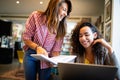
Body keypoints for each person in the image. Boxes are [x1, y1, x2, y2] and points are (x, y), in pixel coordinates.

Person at [22, 0, 72, 80]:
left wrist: (55, 61)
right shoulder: (35, 16)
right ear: (55, 6)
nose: (66, 14)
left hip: (47, 58)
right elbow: (26, 38)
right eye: (64, 9)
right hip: (31, 54)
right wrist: (37, 47)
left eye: (67, 11)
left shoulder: (61, 27)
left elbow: (56, 50)